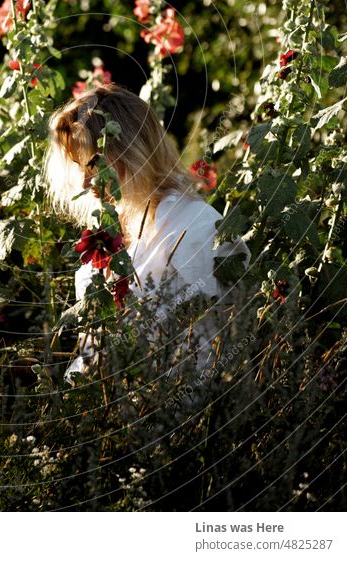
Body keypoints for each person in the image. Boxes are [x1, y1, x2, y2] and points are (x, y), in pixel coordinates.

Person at [43, 83, 250, 382]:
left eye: (94, 164)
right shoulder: (110, 232)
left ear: (132, 151)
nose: (87, 184)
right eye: (80, 168)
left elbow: (221, 344)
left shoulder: (193, 224)